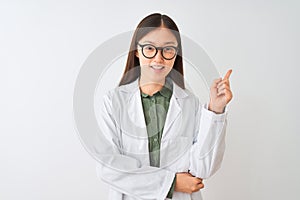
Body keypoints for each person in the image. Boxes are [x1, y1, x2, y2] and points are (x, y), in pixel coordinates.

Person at [96, 13, 233, 200]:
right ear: (136, 50)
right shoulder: (113, 102)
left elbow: (203, 168)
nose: (159, 59)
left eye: (168, 50)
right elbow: (108, 167)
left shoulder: (189, 104)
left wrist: (216, 110)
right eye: (150, 48)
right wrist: (172, 183)